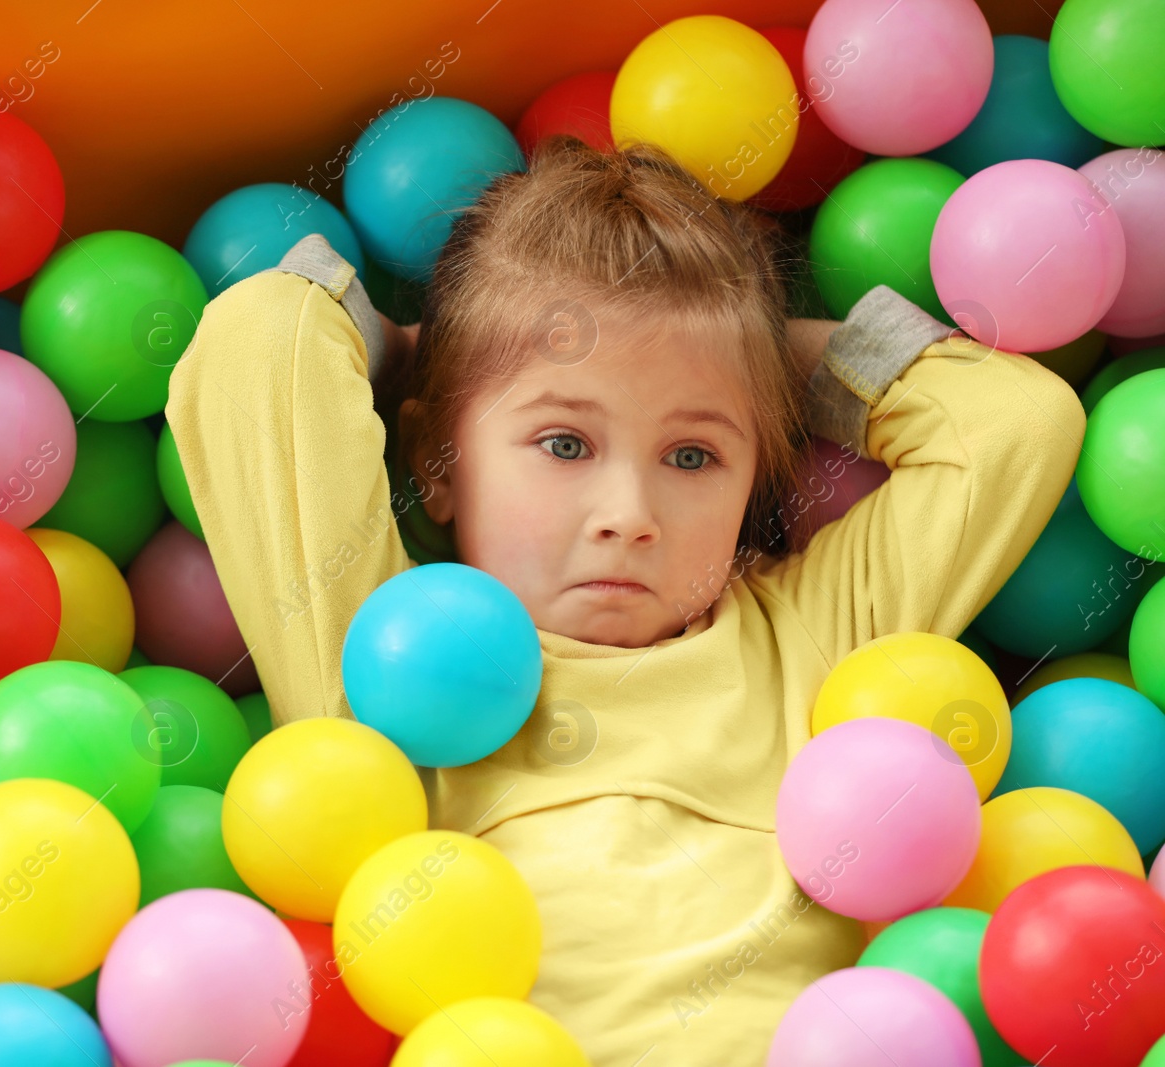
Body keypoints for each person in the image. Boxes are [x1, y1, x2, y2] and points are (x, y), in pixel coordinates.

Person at [163, 136, 1086, 1065]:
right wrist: (436, 354)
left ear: (755, 480)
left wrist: (748, 355)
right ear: (435, 463)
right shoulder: (378, 657)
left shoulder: (807, 638)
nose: (630, 517)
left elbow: (1015, 425)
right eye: (564, 443)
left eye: (694, 456)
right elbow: (260, 341)